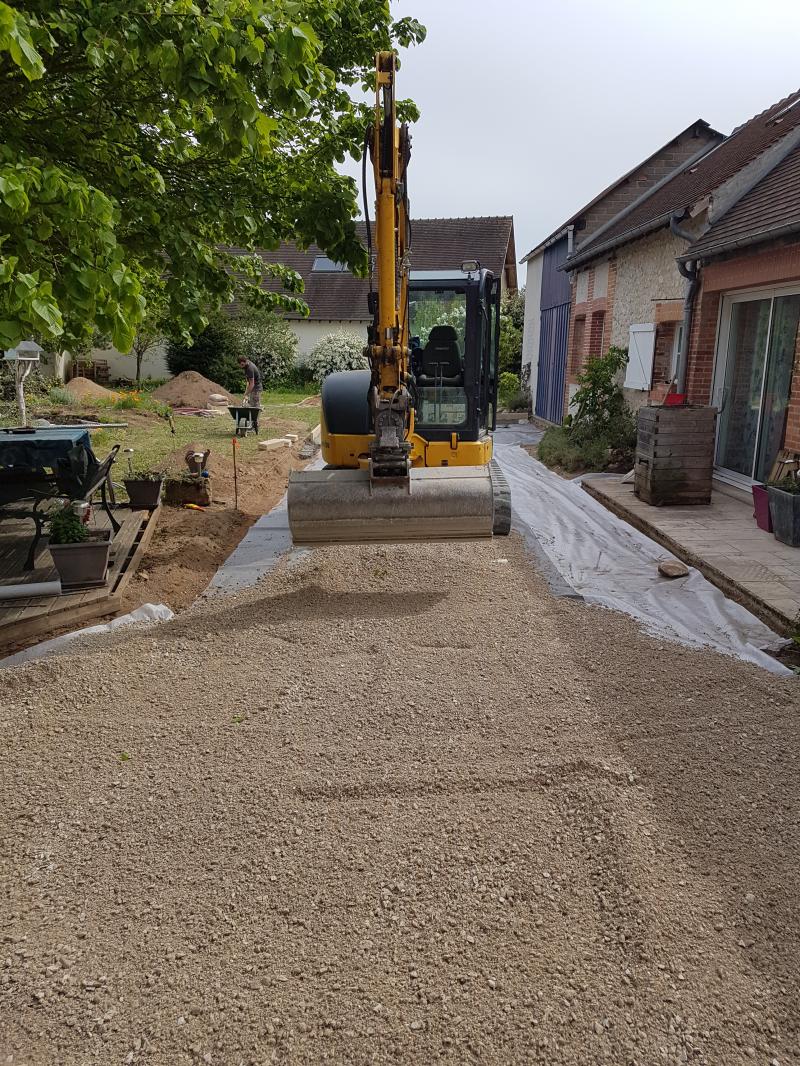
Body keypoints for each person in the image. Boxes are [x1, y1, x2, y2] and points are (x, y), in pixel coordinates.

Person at [238, 356, 262, 433]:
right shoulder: (246, 366)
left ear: (245, 362)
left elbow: (252, 384)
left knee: (254, 408)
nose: (241, 366)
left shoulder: (250, 369)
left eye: (242, 364)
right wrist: (246, 393)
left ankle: (255, 426)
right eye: (240, 365)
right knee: (251, 406)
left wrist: (247, 393)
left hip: (256, 389)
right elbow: (248, 382)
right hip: (253, 388)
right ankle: (252, 425)